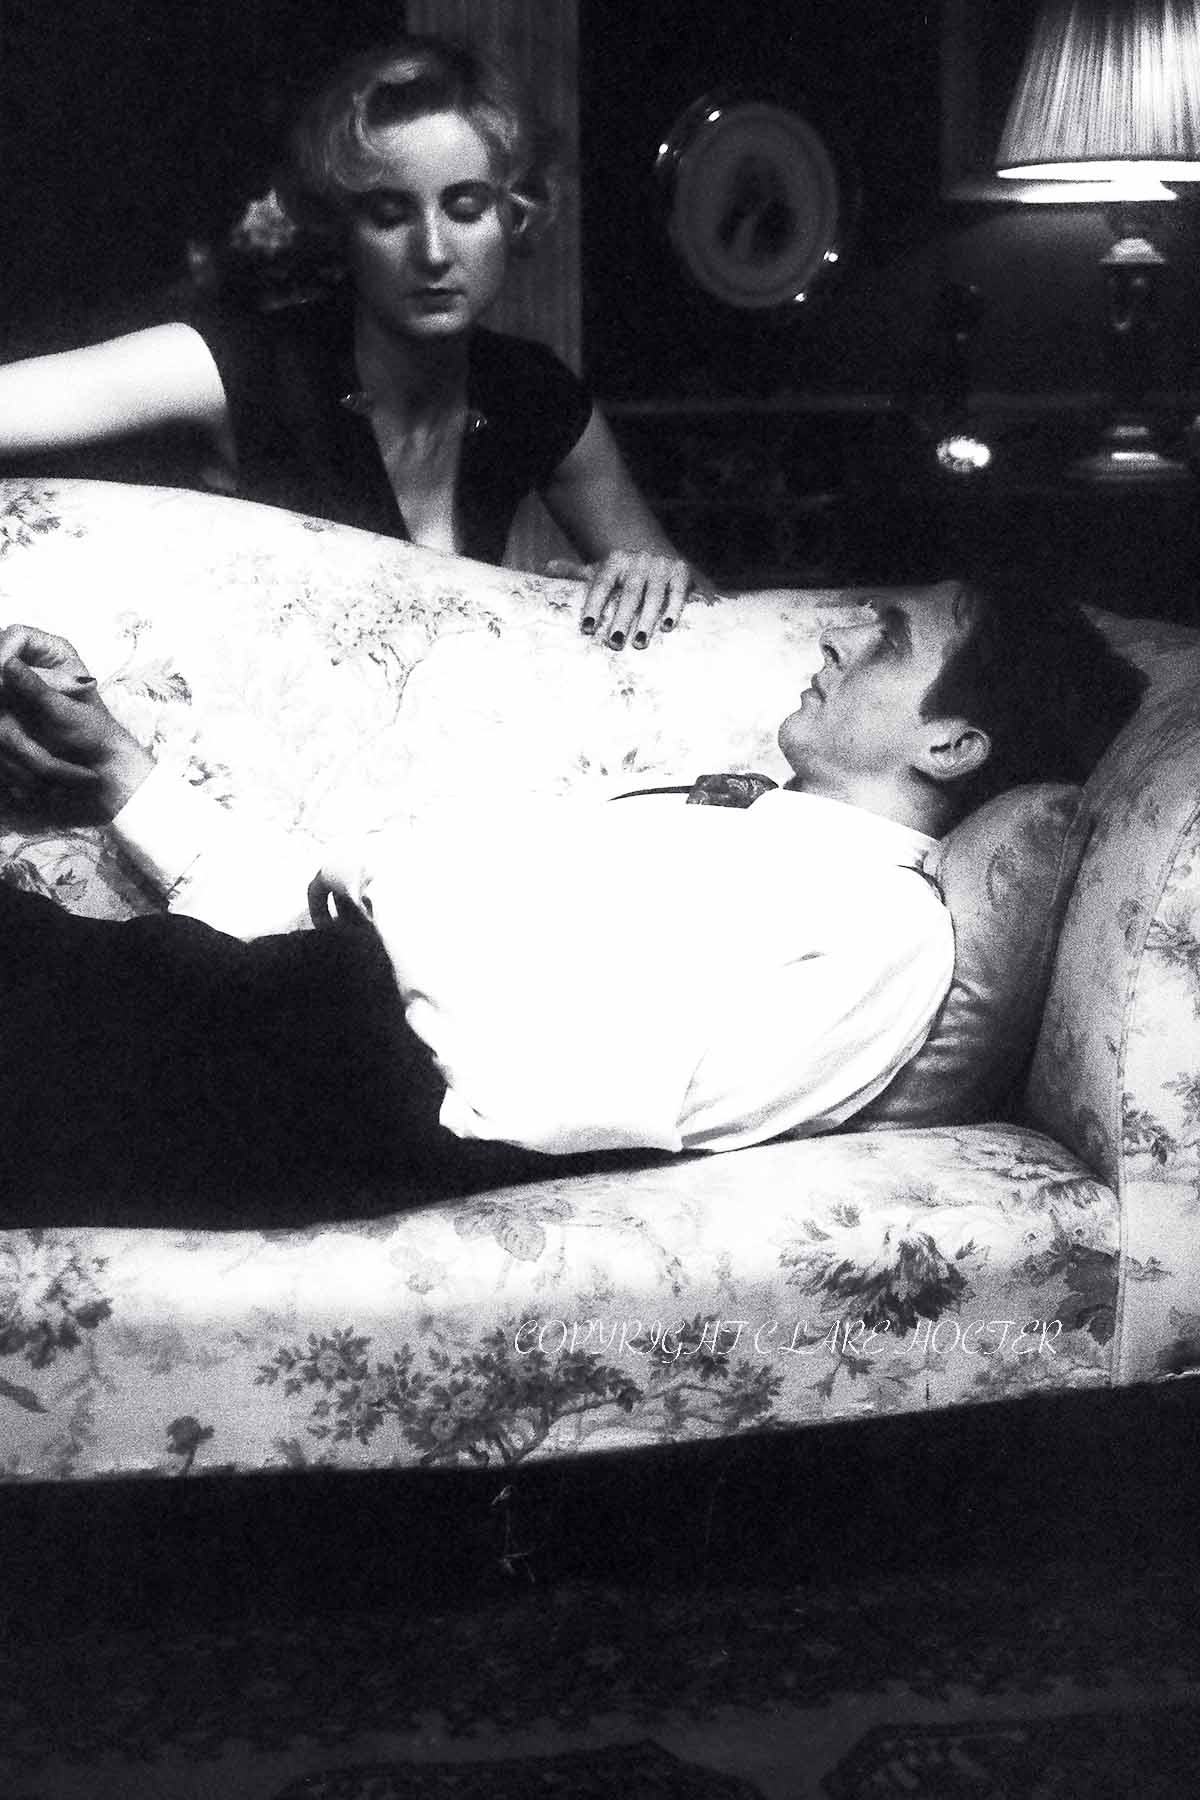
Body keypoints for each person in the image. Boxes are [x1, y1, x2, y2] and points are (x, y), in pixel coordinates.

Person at [0, 573, 1144, 1228]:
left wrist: (382, 908)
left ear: (951, 744)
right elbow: (302, 905)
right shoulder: (720, 811)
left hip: (333, 1080)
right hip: (270, 1005)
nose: (837, 632)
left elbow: (550, 1095)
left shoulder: (883, 932)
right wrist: (116, 764)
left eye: (886, 640)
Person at [0, 34, 705, 650]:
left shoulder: (534, 394)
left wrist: (649, 580)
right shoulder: (249, 365)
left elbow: (715, 628)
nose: (433, 252)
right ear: (341, 228)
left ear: (513, 216)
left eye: (465, 208)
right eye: (390, 215)